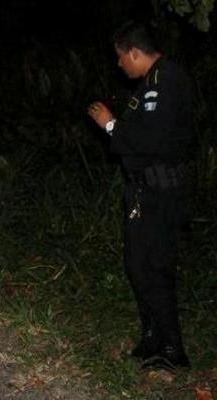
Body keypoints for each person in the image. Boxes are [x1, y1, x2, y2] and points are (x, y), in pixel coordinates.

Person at [88, 21, 194, 371]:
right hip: (142, 191)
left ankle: (172, 348)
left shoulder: (166, 81)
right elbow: (139, 138)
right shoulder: (148, 84)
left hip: (161, 194)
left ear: (134, 52)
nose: (119, 65)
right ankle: (152, 335)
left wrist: (110, 126)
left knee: (156, 269)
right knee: (137, 266)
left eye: (121, 58)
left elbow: (153, 142)